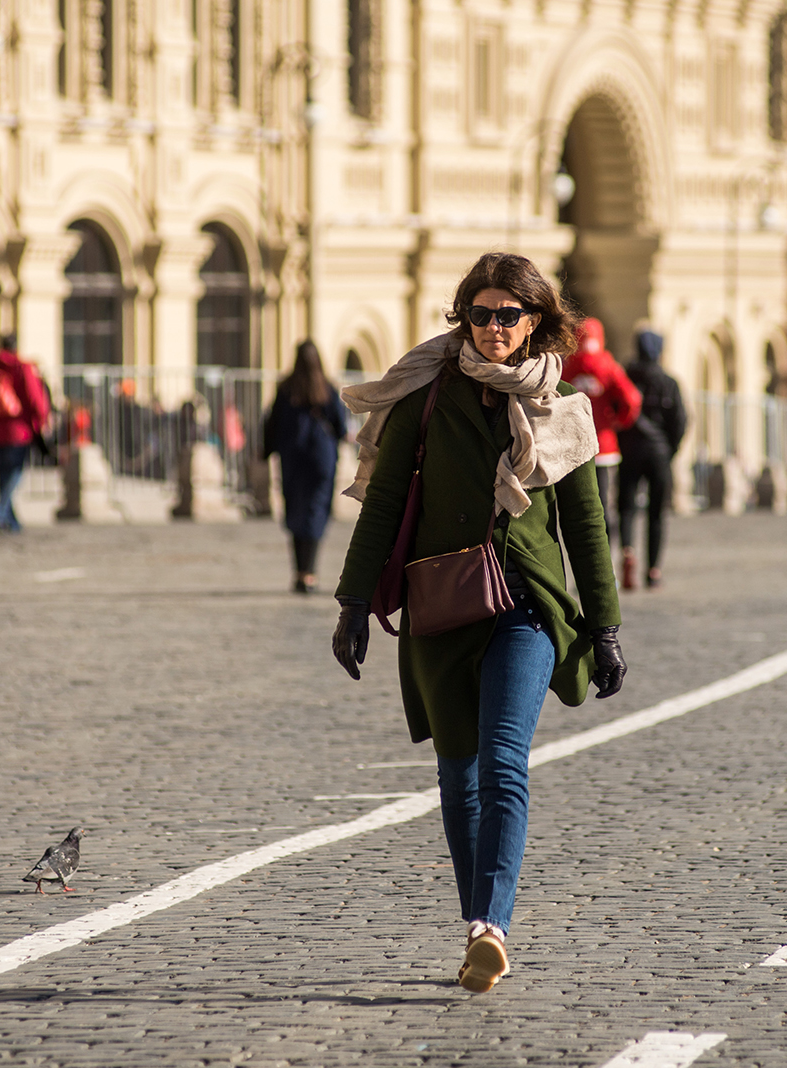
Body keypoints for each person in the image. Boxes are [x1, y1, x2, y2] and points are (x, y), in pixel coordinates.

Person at [331, 252, 625, 994]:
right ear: (464, 315)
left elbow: (585, 525)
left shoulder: (565, 409)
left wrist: (605, 625)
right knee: (458, 774)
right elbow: (388, 501)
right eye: (482, 313)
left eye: (509, 315)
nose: (494, 328)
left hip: (526, 606)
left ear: (535, 324)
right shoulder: (424, 397)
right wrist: (352, 605)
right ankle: (476, 930)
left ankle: (491, 925)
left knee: (501, 763)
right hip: (442, 605)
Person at [263, 340, 347, 593]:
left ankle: (299, 572)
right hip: (321, 459)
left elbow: (272, 424)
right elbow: (340, 426)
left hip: (293, 459)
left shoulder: (287, 389)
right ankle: (310, 573)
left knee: (295, 511)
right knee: (316, 512)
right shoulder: (327, 389)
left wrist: (267, 451)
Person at [617, 328, 686, 590]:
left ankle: (627, 551)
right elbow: (680, 421)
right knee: (656, 513)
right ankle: (654, 570)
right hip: (659, 453)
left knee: (626, 508)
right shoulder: (668, 381)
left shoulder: (625, 377)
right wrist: (670, 450)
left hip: (629, 450)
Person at [561, 318, 640, 540]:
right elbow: (632, 399)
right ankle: (606, 550)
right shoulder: (608, 365)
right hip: (604, 445)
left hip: (574, 446)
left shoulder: (568, 367)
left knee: (577, 504)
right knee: (604, 504)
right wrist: (618, 422)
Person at [0, 333, 49, 533]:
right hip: (20, 430)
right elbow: (35, 398)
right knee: (14, 475)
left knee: (3, 476)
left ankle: (11, 522)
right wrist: (42, 420)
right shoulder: (23, 368)